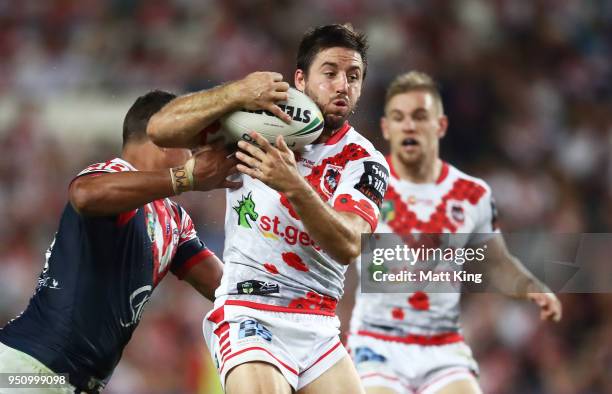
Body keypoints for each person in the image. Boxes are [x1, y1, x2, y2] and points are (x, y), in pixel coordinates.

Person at [147, 24, 389, 394]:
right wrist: (233, 93)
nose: (343, 85)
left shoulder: (363, 161)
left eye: (353, 76)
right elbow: (160, 129)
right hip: (250, 308)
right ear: (300, 79)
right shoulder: (256, 122)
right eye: (330, 73)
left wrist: (293, 184)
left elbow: (349, 244)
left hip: (318, 324)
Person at [0, 90, 240, 394]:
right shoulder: (114, 173)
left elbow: (227, 289)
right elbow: (84, 195)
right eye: (191, 144)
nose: (194, 155)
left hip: (72, 382)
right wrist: (185, 178)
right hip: (29, 369)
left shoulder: (174, 219)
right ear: (162, 136)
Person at [347, 71, 563, 394]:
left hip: (442, 346)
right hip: (377, 341)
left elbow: (497, 263)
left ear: (441, 126)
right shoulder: (363, 182)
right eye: (399, 117)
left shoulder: (472, 194)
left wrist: (531, 286)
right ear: (386, 128)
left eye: (420, 116)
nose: (409, 126)